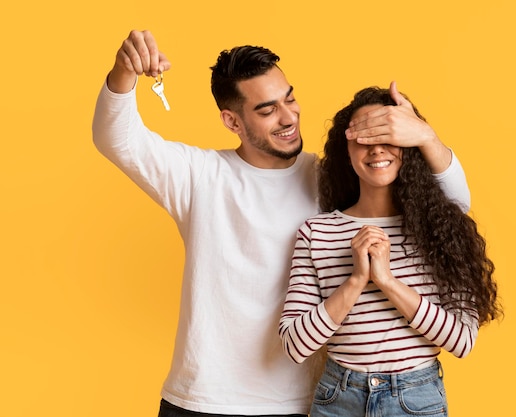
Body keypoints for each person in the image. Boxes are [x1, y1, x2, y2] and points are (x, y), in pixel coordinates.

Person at [92, 29, 473, 417]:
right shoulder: (199, 176)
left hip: (300, 401)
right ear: (232, 121)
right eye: (267, 109)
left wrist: (424, 136)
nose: (288, 116)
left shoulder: (330, 180)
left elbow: (453, 202)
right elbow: (116, 140)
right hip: (201, 398)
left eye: (289, 98)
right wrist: (124, 71)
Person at [279, 86, 502, 417]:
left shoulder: (440, 229)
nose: (376, 149)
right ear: (346, 150)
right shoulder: (318, 233)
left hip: (415, 399)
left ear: (408, 146)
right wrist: (356, 280)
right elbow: (295, 346)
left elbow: (461, 341)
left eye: (387, 137)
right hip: (337, 398)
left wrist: (387, 281)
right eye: (363, 139)